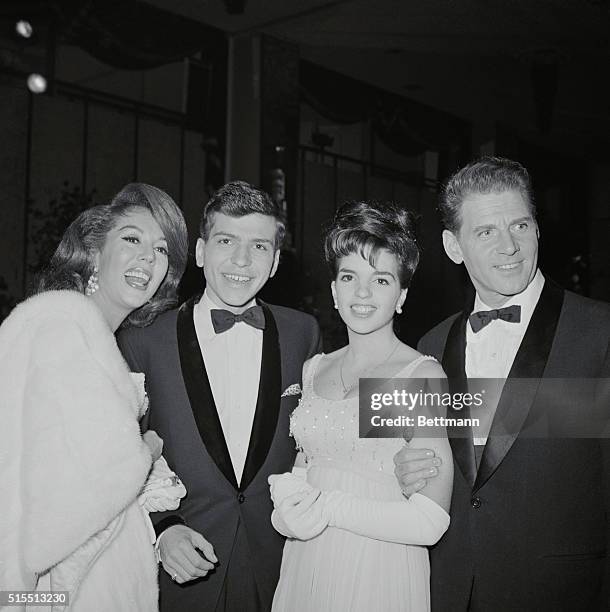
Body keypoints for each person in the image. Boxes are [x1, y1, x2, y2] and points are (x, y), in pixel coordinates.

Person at [394, 156, 610, 611]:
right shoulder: (429, 344)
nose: (510, 247)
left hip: (562, 592)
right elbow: (407, 457)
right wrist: (404, 469)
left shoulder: (600, 332)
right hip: (447, 590)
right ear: (453, 246)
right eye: (486, 232)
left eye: (521, 226)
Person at [118, 181, 321, 612]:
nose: (242, 261)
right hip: (181, 561)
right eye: (226, 241)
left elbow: (321, 435)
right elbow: (119, 454)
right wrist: (163, 527)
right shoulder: (143, 339)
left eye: (260, 246)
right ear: (199, 251)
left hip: (280, 564)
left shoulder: (303, 332)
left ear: (276, 260)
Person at [0, 183, 189, 611]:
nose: (149, 258)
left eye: (161, 250)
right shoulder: (62, 329)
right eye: (132, 239)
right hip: (71, 587)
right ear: (93, 251)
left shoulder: (304, 342)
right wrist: (144, 451)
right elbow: (56, 506)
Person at [268, 200, 453, 612]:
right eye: (350, 277)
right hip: (307, 563)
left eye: (382, 280)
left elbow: (429, 521)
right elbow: (306, 467)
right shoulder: (315, 368)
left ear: (402, 295)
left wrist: (327, 506)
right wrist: (286, 514)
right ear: (334, 290)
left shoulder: (413, 373)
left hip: (379, 568)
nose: (363, 293)